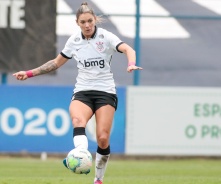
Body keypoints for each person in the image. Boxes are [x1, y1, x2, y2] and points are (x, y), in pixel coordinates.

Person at [13, 2, 142, 184]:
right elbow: (55, 63)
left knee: (103, 139)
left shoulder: (106, 37)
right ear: (78, 23)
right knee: (77, 121)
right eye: (83, 22)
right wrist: (29, 73)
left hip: (105, 92)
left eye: (90, 21)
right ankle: (80, 155)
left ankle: (98, 178)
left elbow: (129, 49)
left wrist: (130, 63)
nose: (87, 25)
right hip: (83, 91)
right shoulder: (74, 41)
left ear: (95, 20)